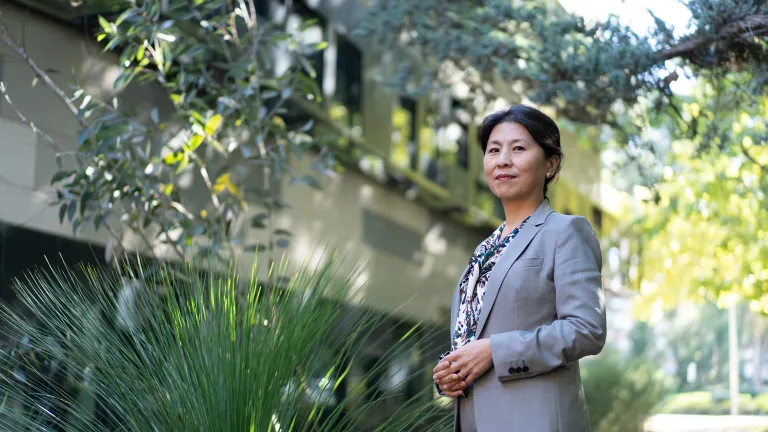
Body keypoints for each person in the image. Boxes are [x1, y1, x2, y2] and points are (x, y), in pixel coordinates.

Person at [432, 104, 607, 432]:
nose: (503, 160)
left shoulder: (566, 231)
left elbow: (587, 329)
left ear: (551, 164)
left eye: (518, 149)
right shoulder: (484, 250)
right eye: (494, 150)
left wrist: (496, 351)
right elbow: (473, 335)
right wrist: (450, 373)